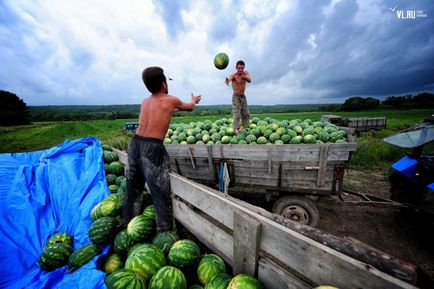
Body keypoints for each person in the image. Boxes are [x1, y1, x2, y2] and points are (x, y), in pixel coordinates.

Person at [123, 66, 201, 232]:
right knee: (159, 190)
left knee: (133, 188)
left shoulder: (145, 101)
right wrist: (194, 100)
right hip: (152, 149)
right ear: (164, 85)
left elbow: (168, 108)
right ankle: (164, 230)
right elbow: (189, 107)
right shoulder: (170, 99)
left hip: (134, 144)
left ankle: (127, 223)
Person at [225, 60, 251, 133]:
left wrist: (245, 77)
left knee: (245, 113)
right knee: (236, 114)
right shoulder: (234, 75)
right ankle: (235, 129)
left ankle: (244, 127)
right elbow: (229, 79)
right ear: (236, 67)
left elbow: (249, 80)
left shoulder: (246, 73)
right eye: (239, 68)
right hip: (236, 97)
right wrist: (227, 81)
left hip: (243, 96)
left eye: (242, 68)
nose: (240, 70)